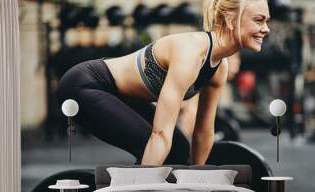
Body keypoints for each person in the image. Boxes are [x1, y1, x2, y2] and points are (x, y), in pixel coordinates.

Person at [57, 0, 270, 165]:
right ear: (231, 19)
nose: (266, 29)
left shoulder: (219, 67)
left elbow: (204, 131)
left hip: (119, 95)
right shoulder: (192, 51)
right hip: (84, 85)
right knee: (152, 144)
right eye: (259, 20)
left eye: (266, 21)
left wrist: (196, 181)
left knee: (178, 150)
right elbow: (160, 135)